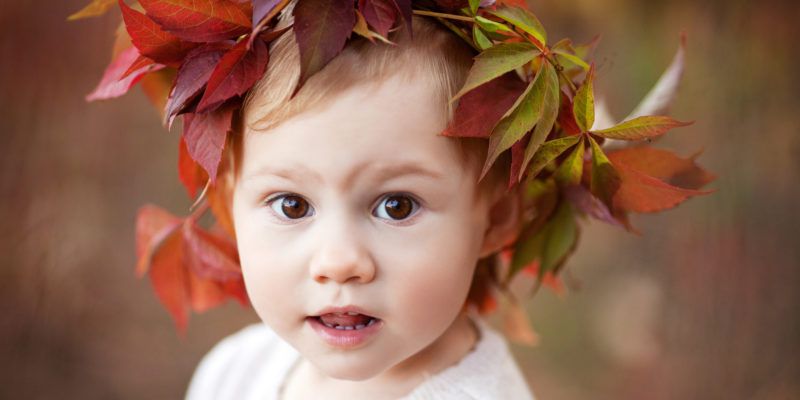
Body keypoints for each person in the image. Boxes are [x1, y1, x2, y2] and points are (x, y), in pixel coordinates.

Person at [184, 5, 535, 400]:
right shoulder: (236, 372)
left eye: (396, 206)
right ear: (231, 203)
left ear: (496, 216)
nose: (338, 262)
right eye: (292, 205)